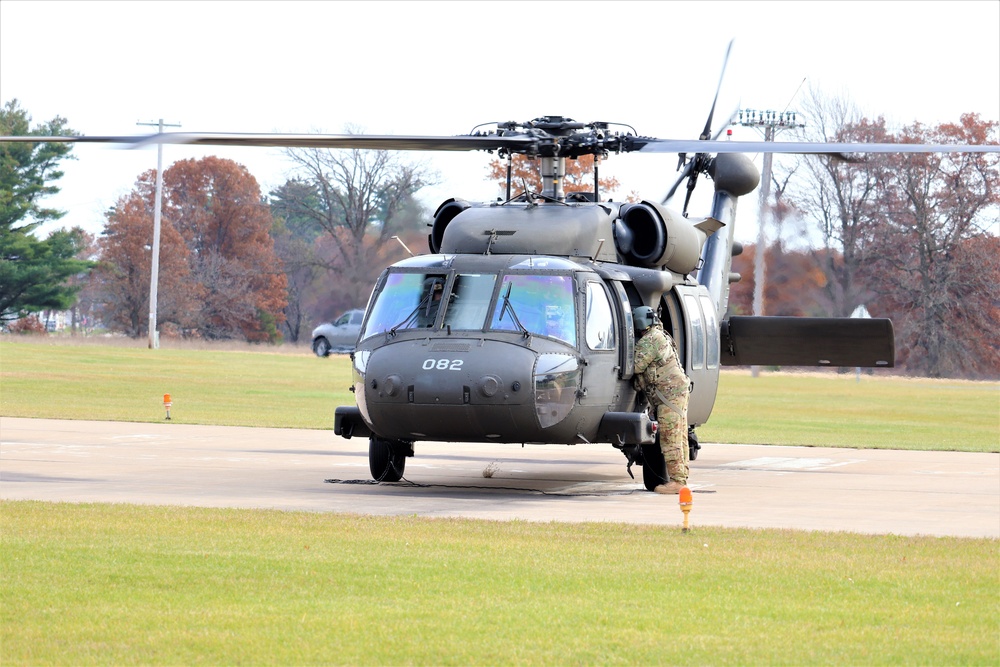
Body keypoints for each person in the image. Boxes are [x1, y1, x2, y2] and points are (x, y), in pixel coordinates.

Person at [631, 306, 690, 494]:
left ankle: (677, 482)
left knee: (670, 438)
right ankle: (680, 478)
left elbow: (634, 365)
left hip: (669, 395)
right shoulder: (659, 334)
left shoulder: (650, 340)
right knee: (679, 436)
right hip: (674, 394)